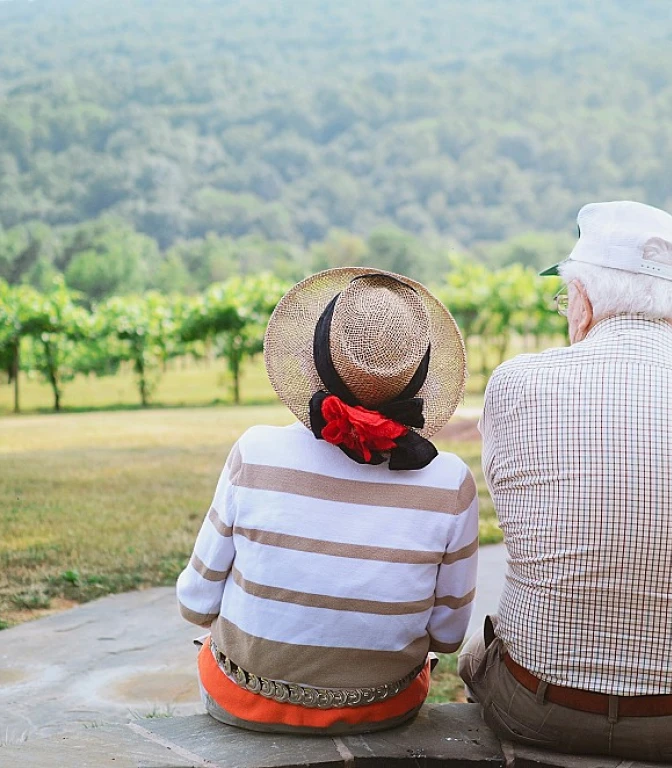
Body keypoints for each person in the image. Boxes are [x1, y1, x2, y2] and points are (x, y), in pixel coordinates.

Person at [459, 201, 672, 762]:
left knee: (479, 649)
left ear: (586, 297)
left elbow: (516, 519)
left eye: (566, 295)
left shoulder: (518, 383)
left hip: (536, 709)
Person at [177, 268, 479, 734]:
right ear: (417, 378)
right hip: (383, 707)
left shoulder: (255, 452)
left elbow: (196, 602)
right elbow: (448, 636)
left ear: (316, 358)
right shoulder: (449, 481)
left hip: (243, 698)